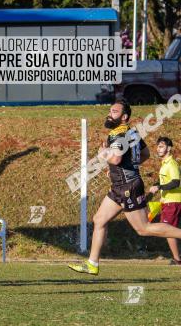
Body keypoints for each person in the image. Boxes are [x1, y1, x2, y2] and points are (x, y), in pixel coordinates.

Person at [70, 102, 181, 275]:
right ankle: (92, 263)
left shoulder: (118, 134)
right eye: (110, 110)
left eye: (114, 111)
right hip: (120, 186)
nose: (109, 114)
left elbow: (115, 159)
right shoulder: (132, 132)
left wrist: (103, 153)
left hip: (127, 187)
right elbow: (145, 154)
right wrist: (124, 170)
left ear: (124, 117)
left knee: (143, 228)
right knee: (99, 220)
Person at [148, 137, 181, 265]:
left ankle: (177, 259)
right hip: (168, 201)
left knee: (168, 230)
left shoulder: (171, 163)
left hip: (172, 202)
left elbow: (175, 182)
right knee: (169, 230)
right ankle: (177, 258)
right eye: (158, 146)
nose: (158, 148)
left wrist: (160, 187)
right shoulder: (165, 163)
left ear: (169, 148)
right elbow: (166, 180)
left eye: (161, 146)